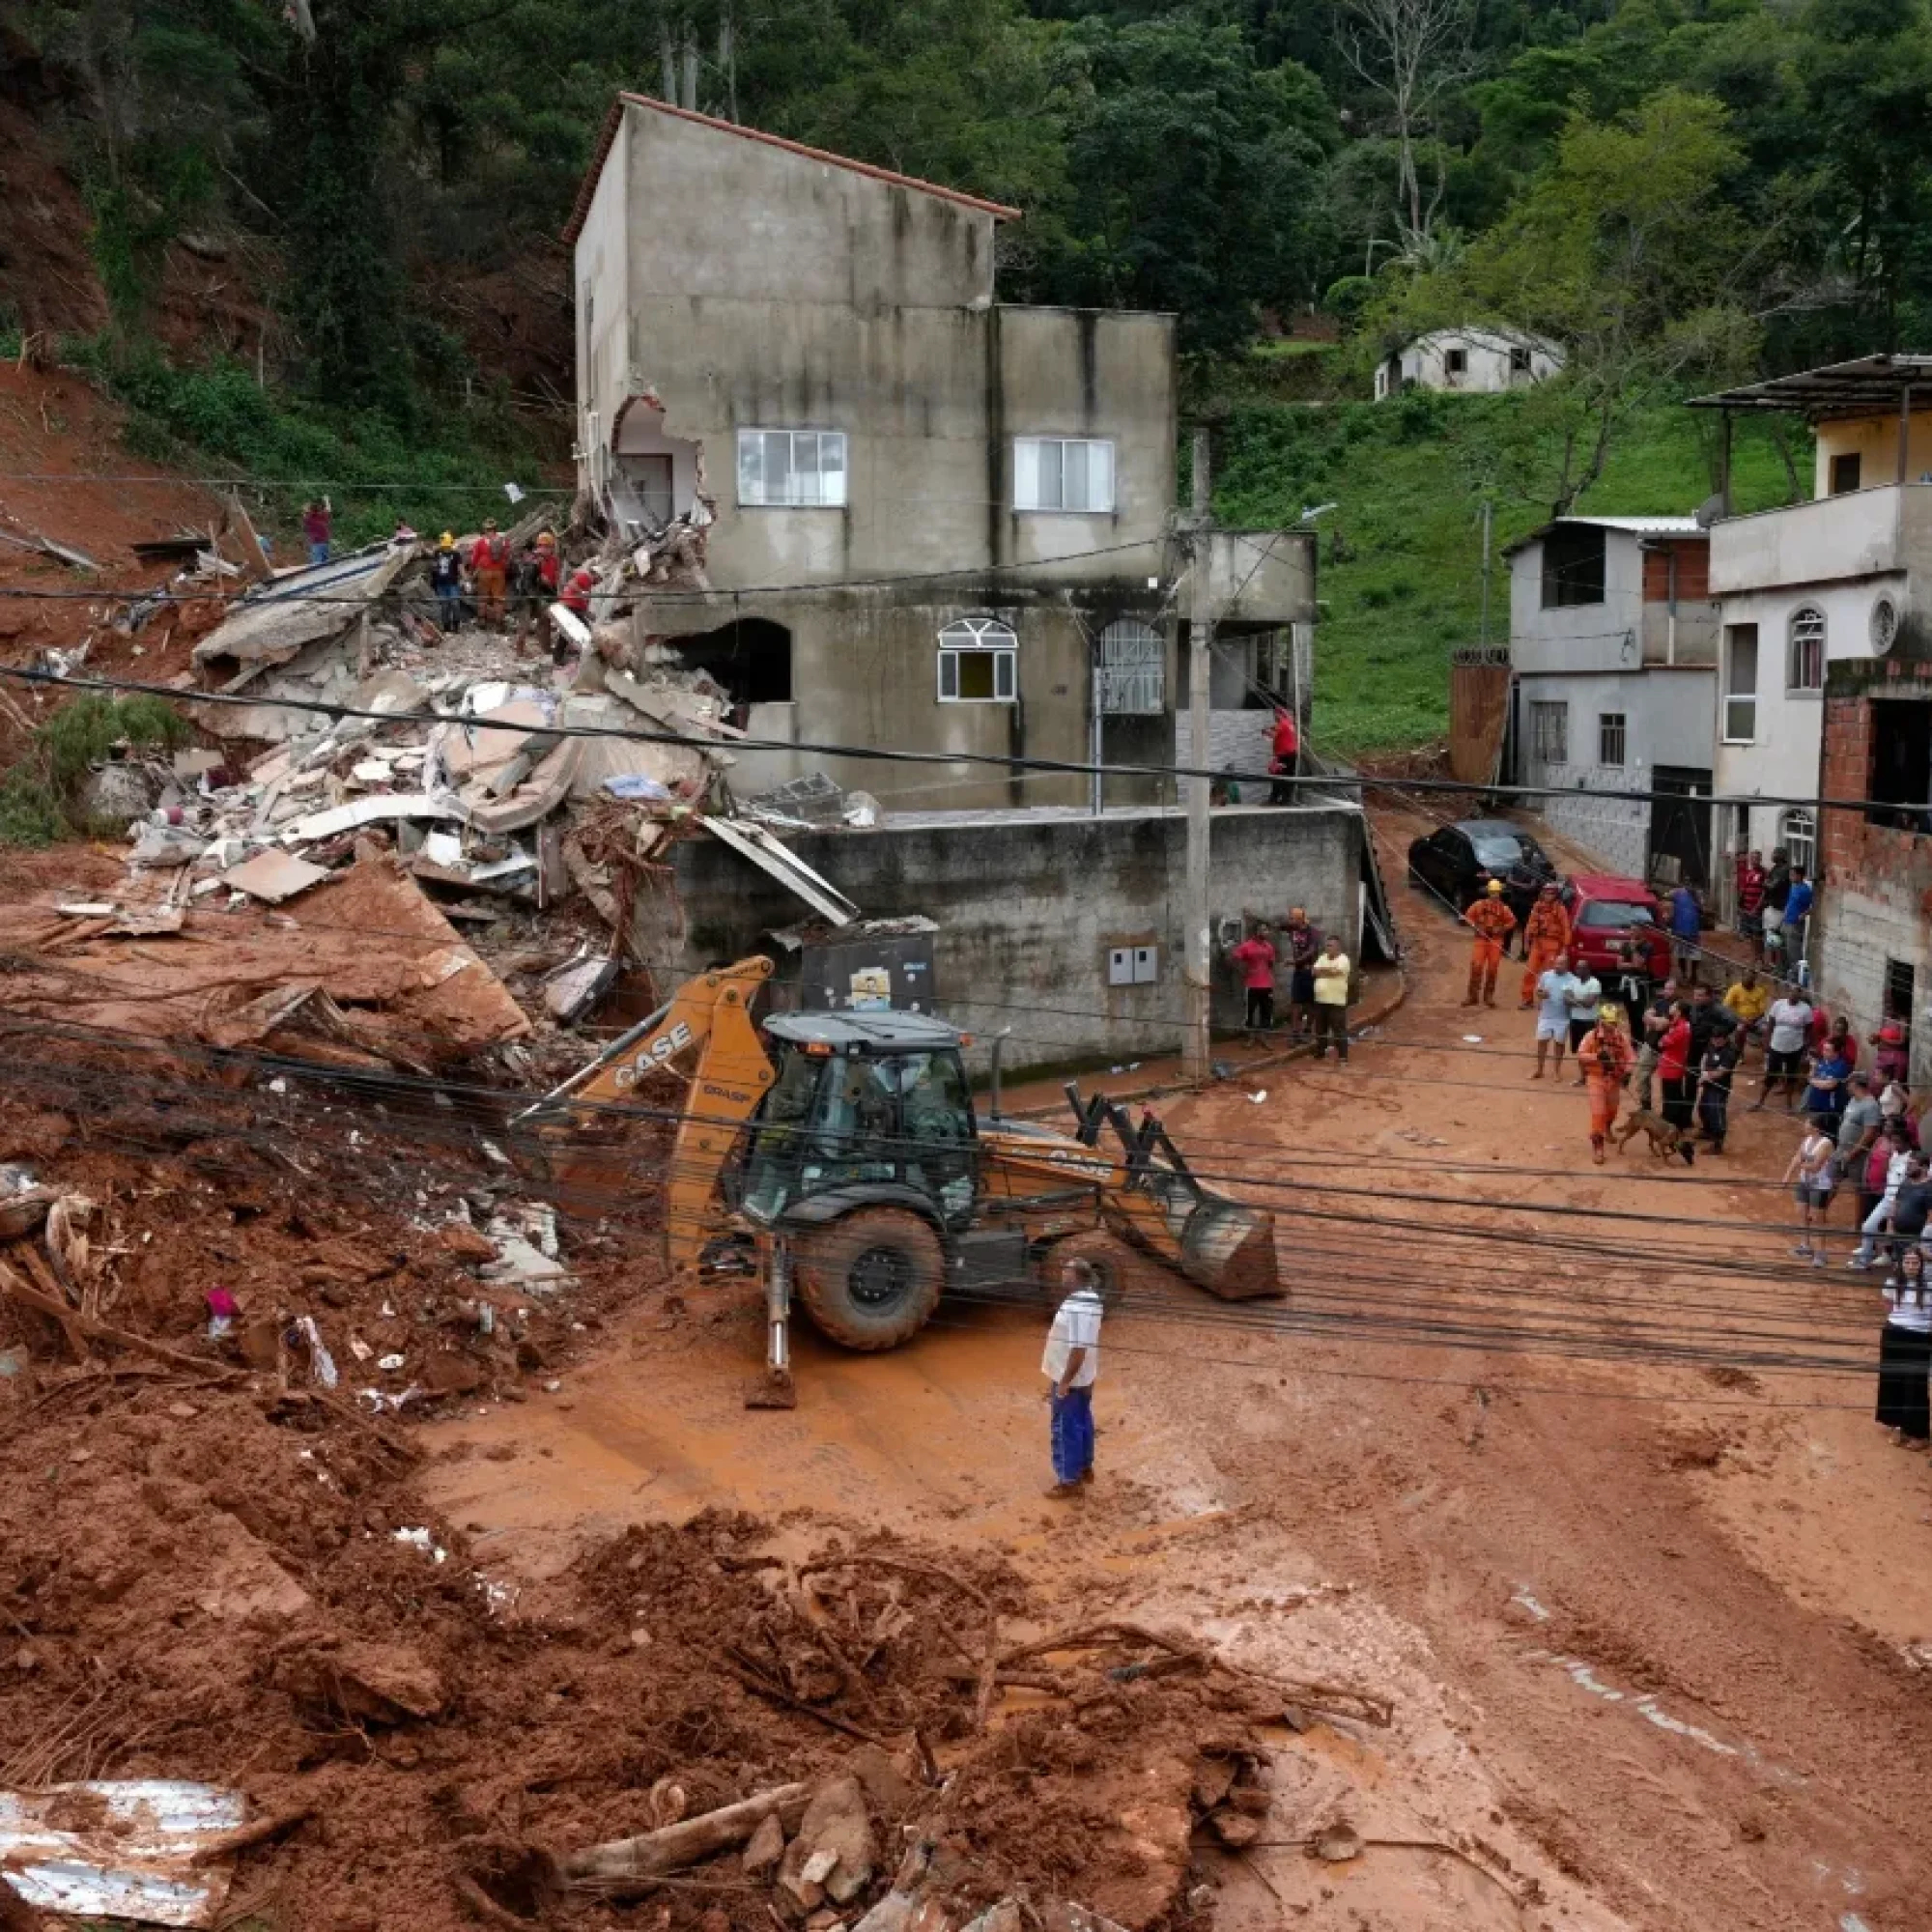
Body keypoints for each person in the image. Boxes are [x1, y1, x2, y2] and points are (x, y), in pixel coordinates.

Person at [1042, 1257, 1104, 1497]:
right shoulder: (1091, 1298)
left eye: (1066, 1270)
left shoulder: (1078, 1307)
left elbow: (1078, 1349)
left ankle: (1069, 1481)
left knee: (1064, 1427)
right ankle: (1085, 1467)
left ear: (1075, 1276)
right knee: (1082, 1421)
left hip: (1070, 1376)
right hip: (1085, 1375)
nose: (1062, 1273)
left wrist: (1065, 1382)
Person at [1875, 1246, 1932, 1448]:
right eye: (1907, 1262)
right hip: (1894, 1334)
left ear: (1921, 1266)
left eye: (1915, 1262)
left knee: (1915, 1385)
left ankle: (1918, 1433)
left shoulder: (1929, 1287)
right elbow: (1888, 1307)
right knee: (1893, 1381)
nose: (1910, 1266)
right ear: (1901, 1264)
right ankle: (1897, 1426)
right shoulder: (1892, 1283)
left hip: (1919, 1338)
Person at [1577, 1001, 1634, 1165]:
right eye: (1608, 1022)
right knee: (1598, 1113)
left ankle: (1608, 1127)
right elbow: (1581, 1054)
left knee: (1612, 1110)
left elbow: (1631, 1057)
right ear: (1601, 1021)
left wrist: (1628, 1072)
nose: (1611, 1026)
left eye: (1614, 1022)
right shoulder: (1591, 1036)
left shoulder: (1622, 1038)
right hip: (1596, 1078)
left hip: (1614, 1080)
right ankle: (1598, 1148)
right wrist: (1595, 1057)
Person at [1850, 1133, 1917, 1270]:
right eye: (1892, 1142)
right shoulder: (1894, 1155)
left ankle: (1900, 1266)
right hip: (1887, 1200)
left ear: (1905, 1143)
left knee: (1899, 1236)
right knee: (1868, 1226)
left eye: (1897, 1142)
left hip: (1903, 1204)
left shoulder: (1912, 1159)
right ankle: (1864, 1260)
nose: (1893, 1146)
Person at [1753, 984, 1814, 1111]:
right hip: (1776, 1045)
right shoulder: (1778, 1005)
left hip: (1795, 1048)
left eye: (1797, 992)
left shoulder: (1806, 1009)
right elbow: (1770, 1025)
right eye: (1792, 991)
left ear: (1801, 995)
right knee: (1771, 1075)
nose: (1794, 994)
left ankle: (1788, 1105)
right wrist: (1767, 1041)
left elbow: (1808, 1031)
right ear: (1788, 992)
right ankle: (1760, 1102)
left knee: (1791, 1076)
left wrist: (1804, 1051)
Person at [1786, 1122, 1838, 1264]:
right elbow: (1798, 1156)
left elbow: (1815, 1167)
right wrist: (1788, 1175)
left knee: (1818, 1219)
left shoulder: (1825, 1144)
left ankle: (1821, 1253)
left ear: (1816, 1127)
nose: (1804, 1126)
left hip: (1819, 1185)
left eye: (1807, 1124)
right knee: (1801, 1213)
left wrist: (1799, 1166)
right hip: (1805, 1182)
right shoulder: (1807, 1140)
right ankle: (1805, 1246)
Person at [1462, 879, 1518, 1008]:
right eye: (1492, 892)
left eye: (1496, 893)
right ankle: (1472, 996)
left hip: (1495, 940)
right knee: (1476, 966)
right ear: (1488, 892)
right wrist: (1475, 926)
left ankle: (1488, 996)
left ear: (1499, 893)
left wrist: (1502, 929)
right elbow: (1468, 917)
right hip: (1481, 940)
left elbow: (1512, 921)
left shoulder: (1504, 908)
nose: (1494, 895)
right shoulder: (1478, 905)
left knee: (1493, 968)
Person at [1519, 883, 1572, 1009]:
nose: (1548, 896)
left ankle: (1546, 1001)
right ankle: (1527, 999)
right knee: (1529, 972)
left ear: (1555, 895)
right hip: (1537, 944)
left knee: (1549, 975)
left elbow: (1566, 928)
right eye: (1547, 893)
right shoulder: (1537, 907)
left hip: (1553, 945)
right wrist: (1526, 943)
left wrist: (1565, 948)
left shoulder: (1560, 909)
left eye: (1551, 893)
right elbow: (1530, 924)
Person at [1532, 950, 1581, 1081]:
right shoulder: (1546, 976)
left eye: (1561, 964)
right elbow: (1538, 991)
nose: (1557, 966)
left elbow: (1575, 999)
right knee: (1542, 1042)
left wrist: (1569, 1000)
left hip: (1562, 1018)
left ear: (1567, 966)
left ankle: (1556, 1071)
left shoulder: (1573, 980)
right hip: (1546, 1015)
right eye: (1556, 963)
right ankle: (1539, 1069)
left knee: (1559, 1044)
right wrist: (1542, 994)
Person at [1695, 1019, 1739, 1153]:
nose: (1715, 1042)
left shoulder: (1731, 1051)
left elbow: (1720, 1073)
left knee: (1717, 1115)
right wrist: (1702, 1071)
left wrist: (1704, 1076)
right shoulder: (1712, 1043)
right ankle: (1708, 1131)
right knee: (1702, 1108)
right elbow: (1704, 1056)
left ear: (1725, 1039)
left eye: (1718, 1040)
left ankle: (1717, 1145)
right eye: (1714, 1040)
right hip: (1708, 1083)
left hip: (1720, 1087)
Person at [1634, 979, 1676, 1112]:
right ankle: (1646, 1107)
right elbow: (1644, 1017)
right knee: (1641, 1075)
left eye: (1671, 989)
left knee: (1668, 1082)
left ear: (1677, 990)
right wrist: (1656, 1021)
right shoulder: (1660, 1003)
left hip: (1668, 1049)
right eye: (1666, 988)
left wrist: (1654, 1021)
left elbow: (1661, 1025)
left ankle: (1669, 1113)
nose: (1668, 991)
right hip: (1650, 1045)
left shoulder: (1678, 1006)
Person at [1836, 1071, 1883, 1190]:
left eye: (1849, 1084)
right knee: (1830, 1183)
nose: (1846, 1087)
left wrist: (1852, 1153)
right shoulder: (1853, 1100)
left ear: (1856, 1085)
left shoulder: (1871, 1106)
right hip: (1841, 1150)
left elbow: (1869, 1134)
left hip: (1857, 1156)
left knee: (1859, 1190)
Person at [1229, 924, 1278, 1035]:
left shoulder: (1269, 946)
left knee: (1266, 1012)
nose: (1267, 932)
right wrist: (1242, 971)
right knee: (1250, 1012)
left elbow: (1271, 963)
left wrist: (1268, 973)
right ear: (1256, 932)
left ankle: (1263, 1036)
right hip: (1252, 985)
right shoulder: (1247, 946)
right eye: (1264, 930)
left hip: (1267, 985)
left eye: (1267, 930)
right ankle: (1250, 1037)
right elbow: (1234, 958)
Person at [1658, 1000, 1695, 1140]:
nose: (1671, 1007)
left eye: (1674, 1006)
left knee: (1671, 1098)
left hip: (1671, 1067)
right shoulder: (1681, 1025)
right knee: (1674, 1096)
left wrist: (1662, 1038)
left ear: (1679, 1011)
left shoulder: (1680, 1028)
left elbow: (1662, 1042)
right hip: (1673, 1065)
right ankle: (1677, 1123)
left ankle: (1671, 1127)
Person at [1803, 1033, 1854, 1132]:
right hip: (1815, 1104)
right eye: (1824, 1049)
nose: (1823, 1052)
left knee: (1828, 1134)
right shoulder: (1822, 1062)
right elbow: (1809, 1078)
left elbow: (1829, 1085)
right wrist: (1813, 1067)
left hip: (1830, 1109)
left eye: (1827, 1050)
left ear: (1836, 1052)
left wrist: (1813, 1080)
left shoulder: (1841, 1066)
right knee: (1812, 1131)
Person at [1282, 909, 1321, 1038]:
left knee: (1310, 1003)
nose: (1290, 921)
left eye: (1292, 919)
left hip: (1310, 971)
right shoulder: (1292, 929)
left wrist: (1295, 961)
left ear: (1300, 919)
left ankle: (1308, 1028)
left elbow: (1311, 951)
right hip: (1298, 971)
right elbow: (1275, 926)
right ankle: (1295, 1032)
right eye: (1290, 918)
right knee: (1295, 1002)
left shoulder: (1312, 932)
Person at [1311, 935, 1350, 1062]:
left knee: (1338, 1030)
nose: (1327, 948)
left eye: (1330, 945)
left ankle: (1343, 1056)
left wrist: (1322, 971)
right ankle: (1320, 1052)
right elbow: (1314, 972)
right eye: (1327, 945)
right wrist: (1326, 970)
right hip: (1320, 1000)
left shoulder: (1344, 959)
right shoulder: (1322, 957)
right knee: (1320, 1029)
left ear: (1338, 947)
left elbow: (1336, 971)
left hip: (1336, 1002)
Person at [1565, 961, 1604, 1087]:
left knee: (1593, 1050)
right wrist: (1581, 1001)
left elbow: (1589, 1004)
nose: (1577, 970)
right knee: (1580, 1051)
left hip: (1590, 1021)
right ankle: (1583, 1077)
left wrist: (1574, 1000)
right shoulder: (1573, 981)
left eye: (1581, 968)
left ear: (1588, 969)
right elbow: (1566, 1000)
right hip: (1576, 1020)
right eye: (1577, 968)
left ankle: (1594, 1077)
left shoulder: (1595, 983)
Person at [471, 518, 510, 630]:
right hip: (499, 572)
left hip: (484, 572)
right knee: (499, 599)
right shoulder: (503, 541)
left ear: (485, 529)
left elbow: (474, 558)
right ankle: (499, 623)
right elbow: (508, 556)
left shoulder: (480, 542)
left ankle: (482, 621)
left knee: (483, 598)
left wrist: (473, 570)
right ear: (495, 529)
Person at [1721, 969, 1770, 1057]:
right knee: (1740, 1030)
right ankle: (1739, 1054)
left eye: (1751, 978)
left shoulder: (1760, 991)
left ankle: (1767, 1056)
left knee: (1767, 1030)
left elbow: (1762, 1011)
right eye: (1746, 977)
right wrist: (1741, 1019)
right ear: (1742, 977)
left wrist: (1753, 1020)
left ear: (1754, 979)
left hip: (1756, 1019)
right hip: (1739, 1018)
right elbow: (1726, 1007)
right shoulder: (1734, 989)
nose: (1748, 979)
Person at [1610, 925, 1650, 1019]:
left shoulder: (1647, 945)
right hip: (1626, 982)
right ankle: (1633, 1033)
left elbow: (1638, 964)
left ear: (1641, 931)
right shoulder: (1625, 945)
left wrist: (1633, 949)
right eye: (1631, 930)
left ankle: (1639, 1034)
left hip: (1639, 983)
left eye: (1635, 930)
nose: (1632, 933)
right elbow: (1619, 965)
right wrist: (1634, 964)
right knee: (1630, 1013)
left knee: (1639, 1014)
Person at [1761, 848, 1792, 967]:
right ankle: (1771, 963)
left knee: (1776, 937)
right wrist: (1767, 883)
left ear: (1782, 856)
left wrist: (1766, 883)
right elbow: (1767, 884)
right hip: (1772, 906)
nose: (1773, 855)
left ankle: (1778, 965)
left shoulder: (1784, 869)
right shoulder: (1776, 868)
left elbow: (1772, 886)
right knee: (1769, 936)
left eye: (1775, 853)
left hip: (1779, 908)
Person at [1667, 881, 1702, 986]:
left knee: (1695, 954)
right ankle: (1684, 975)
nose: (1688, 886)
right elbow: (1666, 897)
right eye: (1686, 883)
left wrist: (1697, 904)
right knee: (1682, 954)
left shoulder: (1696, 896)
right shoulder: (1677, 893)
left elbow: (1701, 910)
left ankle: (1693, 975)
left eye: (1690, 884)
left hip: (1692, 930)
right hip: (1680, 930)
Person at [1735, 847, 1767, 961]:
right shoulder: (1750, 873)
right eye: (1752, 858)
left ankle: (1760, 958)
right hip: (1747, 909)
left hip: (1756, 910)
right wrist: (1740, 905)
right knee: (1751, 936)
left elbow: (1764, 892)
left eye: (1756, 858)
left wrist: (1757, 907)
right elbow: (1744, 889)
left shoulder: (1763, 872)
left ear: (1760, 859)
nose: (1754, 860)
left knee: (1758, 935)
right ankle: (1755, 957)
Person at [429, 533, 463, 633]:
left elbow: (460, 568)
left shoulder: (456, 554)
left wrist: (466, 580)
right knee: (444, 606)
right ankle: (446, 626)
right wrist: (434, 567)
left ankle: (456, 625)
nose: (445, 548)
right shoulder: (437, 552)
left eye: (447, 546)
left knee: (455, 604)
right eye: (444, 546)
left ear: (450, 544)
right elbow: (434, 565)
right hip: (441, 583)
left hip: (453, 583)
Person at [1783, 866, 1814, 968]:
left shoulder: (1805, 890)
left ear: (1799, 876)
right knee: (1786, 949)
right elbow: (1789, 902)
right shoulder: (1793, 887)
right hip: (1787, 921)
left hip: (1796, 924)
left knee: (1794, 951)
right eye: (1790, 874)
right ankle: (1788, 971)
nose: (1790, 877)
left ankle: (1796, 975)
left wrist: (1803, 914)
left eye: (1793, 875)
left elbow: (1813, 906)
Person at [1267, 706, 1299, 803]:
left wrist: (1266, 732)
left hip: (1284, 755)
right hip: (1292, 755)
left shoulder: (1281, 724)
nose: (1274, 717)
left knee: (1277, 776)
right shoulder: (1289, 723)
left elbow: (1273, 734)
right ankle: (1286, 799)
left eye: (1275, 715)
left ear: (1279, 714)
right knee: (1287, 777)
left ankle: (1274, 799)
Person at [1872, 1017, 1911, 1089]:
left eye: (1890, 1007)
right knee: (1876, 1082)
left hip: (1897, 1057)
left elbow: (1901, 1042)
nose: (1889, 1008)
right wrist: (1875, 1039)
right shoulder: (1886, 1019)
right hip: (1883, 1056)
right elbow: (1881, 1037)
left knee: (1895, 1085)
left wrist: (1884, 1040)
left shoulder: (1902, 1021)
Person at [301, 497, 332, 565]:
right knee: (324, 564)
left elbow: (305, 511)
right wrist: (326, 500)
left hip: (319, 544)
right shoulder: (320, 516)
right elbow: (328, 510)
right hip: (322, 543)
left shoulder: (309, 518)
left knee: (318, 564)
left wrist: (326, 501)